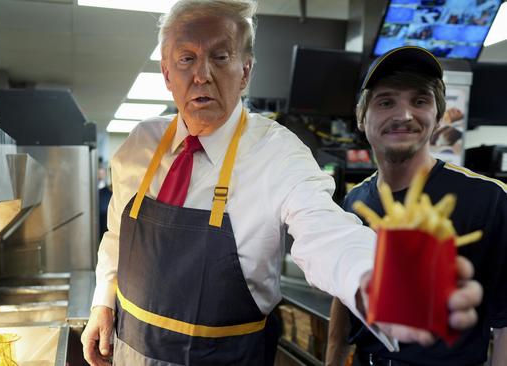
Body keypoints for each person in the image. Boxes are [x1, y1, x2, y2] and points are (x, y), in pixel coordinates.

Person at [81, 2, 482, 365]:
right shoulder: (140, 144)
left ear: (246, 71)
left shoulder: (278, 154)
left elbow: (326, 232)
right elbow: (118, 234)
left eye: (220, 57)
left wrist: (379, 280)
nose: (202, 75)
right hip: (128, 351)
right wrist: (103, 302)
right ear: (167, 73)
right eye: (187, 59)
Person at [326, 46, 507, 366]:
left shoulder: (490, 200)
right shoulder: (354, 202)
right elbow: (343, 303)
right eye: (386, 101)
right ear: (360, 116)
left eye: (420, 100)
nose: (404, 114)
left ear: (438, 116)